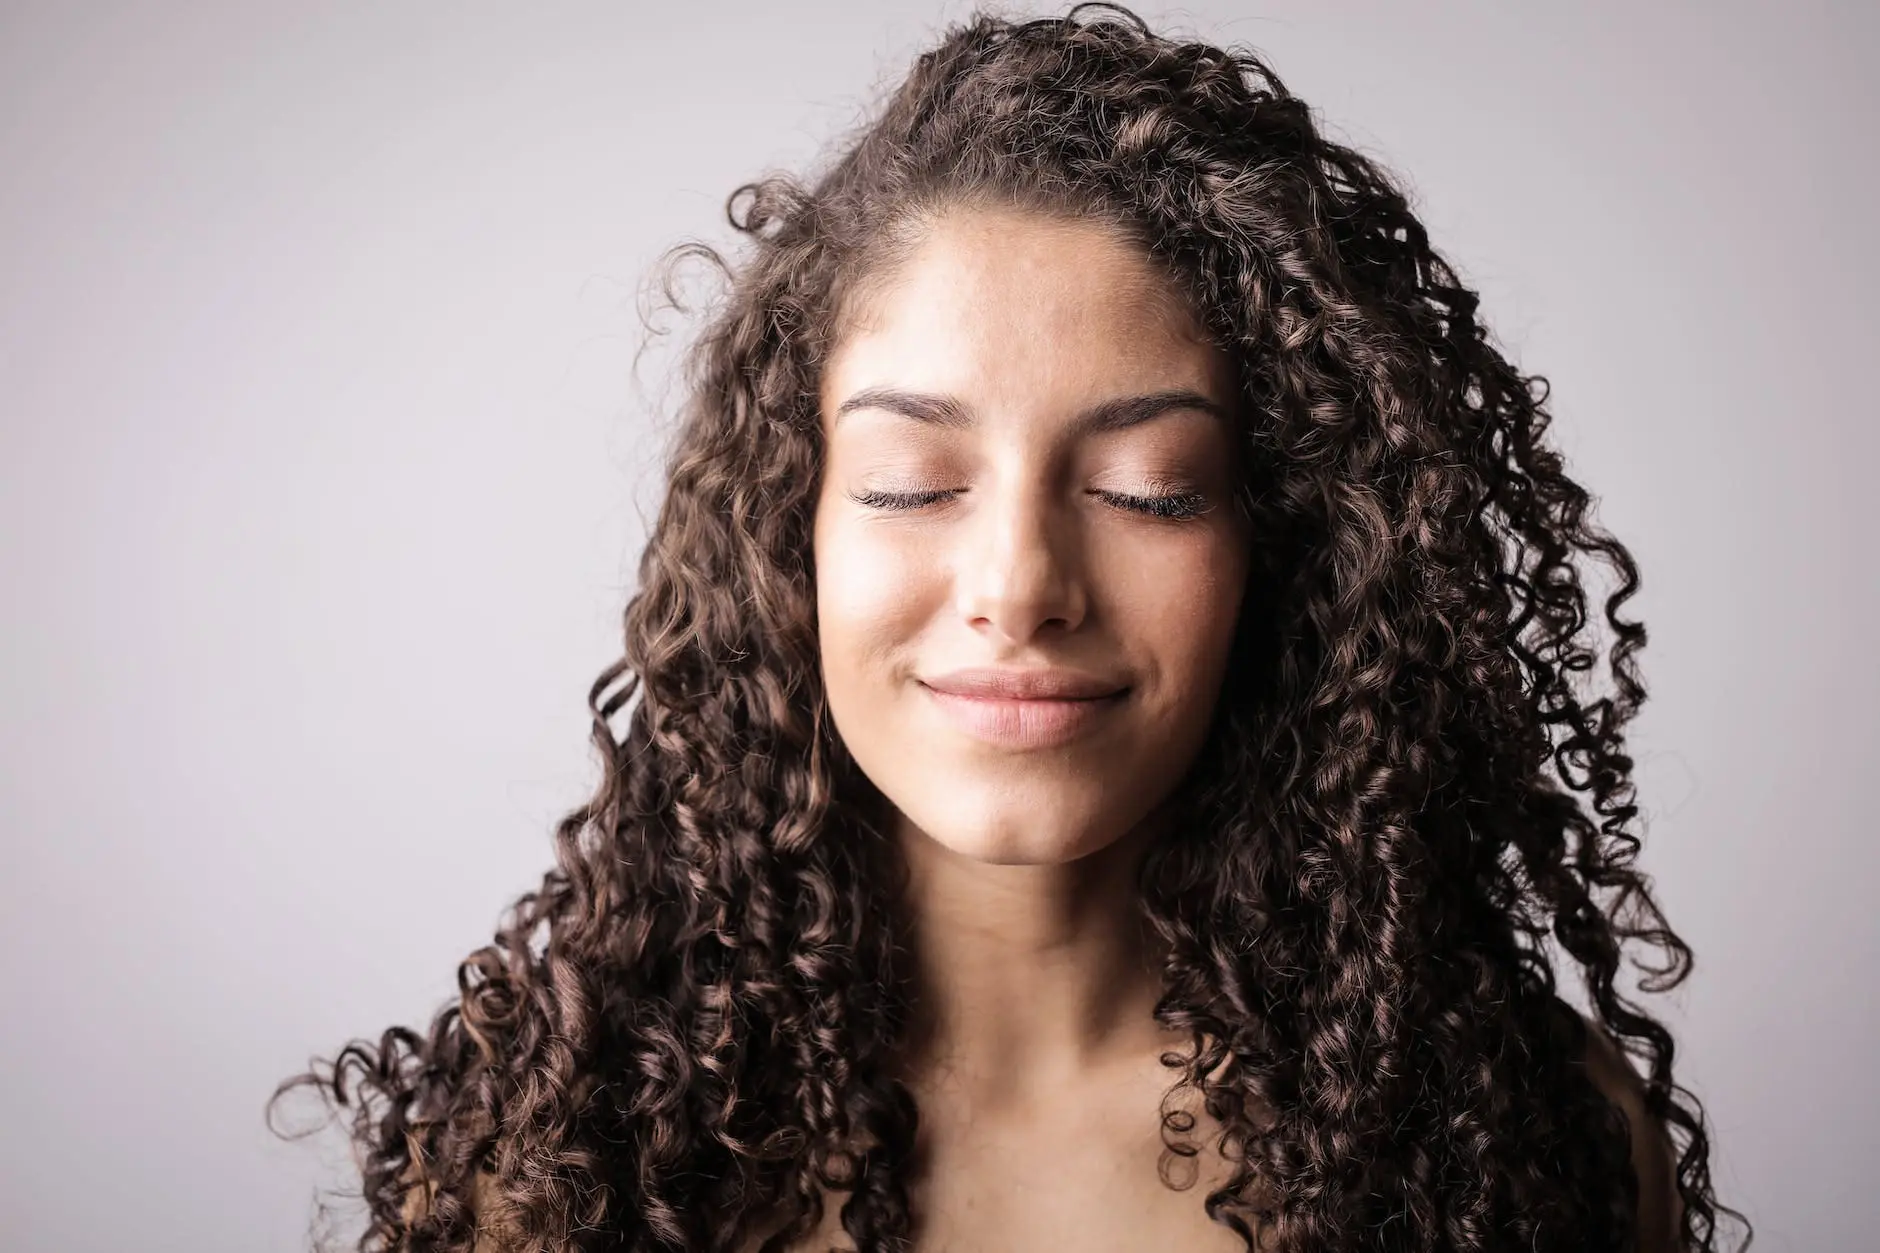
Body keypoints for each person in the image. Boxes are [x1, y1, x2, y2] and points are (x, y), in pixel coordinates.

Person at [271, 6, 1752, 1251]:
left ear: (1282, 550)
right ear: (784, 539)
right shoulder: (562, 1151)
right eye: (915, 484)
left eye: (1145, 490)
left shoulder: (1513, 1146)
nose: (1018, 581)